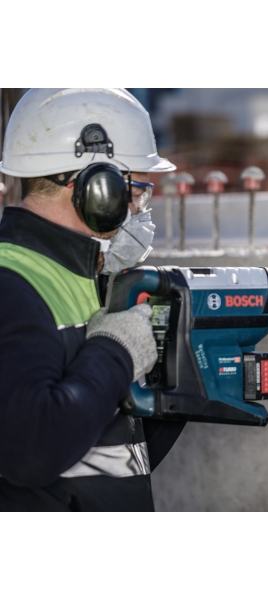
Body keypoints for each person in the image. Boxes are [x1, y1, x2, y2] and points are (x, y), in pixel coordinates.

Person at [0, 88, 185, 511]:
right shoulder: (11, 285)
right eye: (135, 191)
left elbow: (104, 454)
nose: (139, 210)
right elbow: (31, 452)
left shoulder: (82, 276)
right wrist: (116, 352)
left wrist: (180, 389)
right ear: (98, 188)